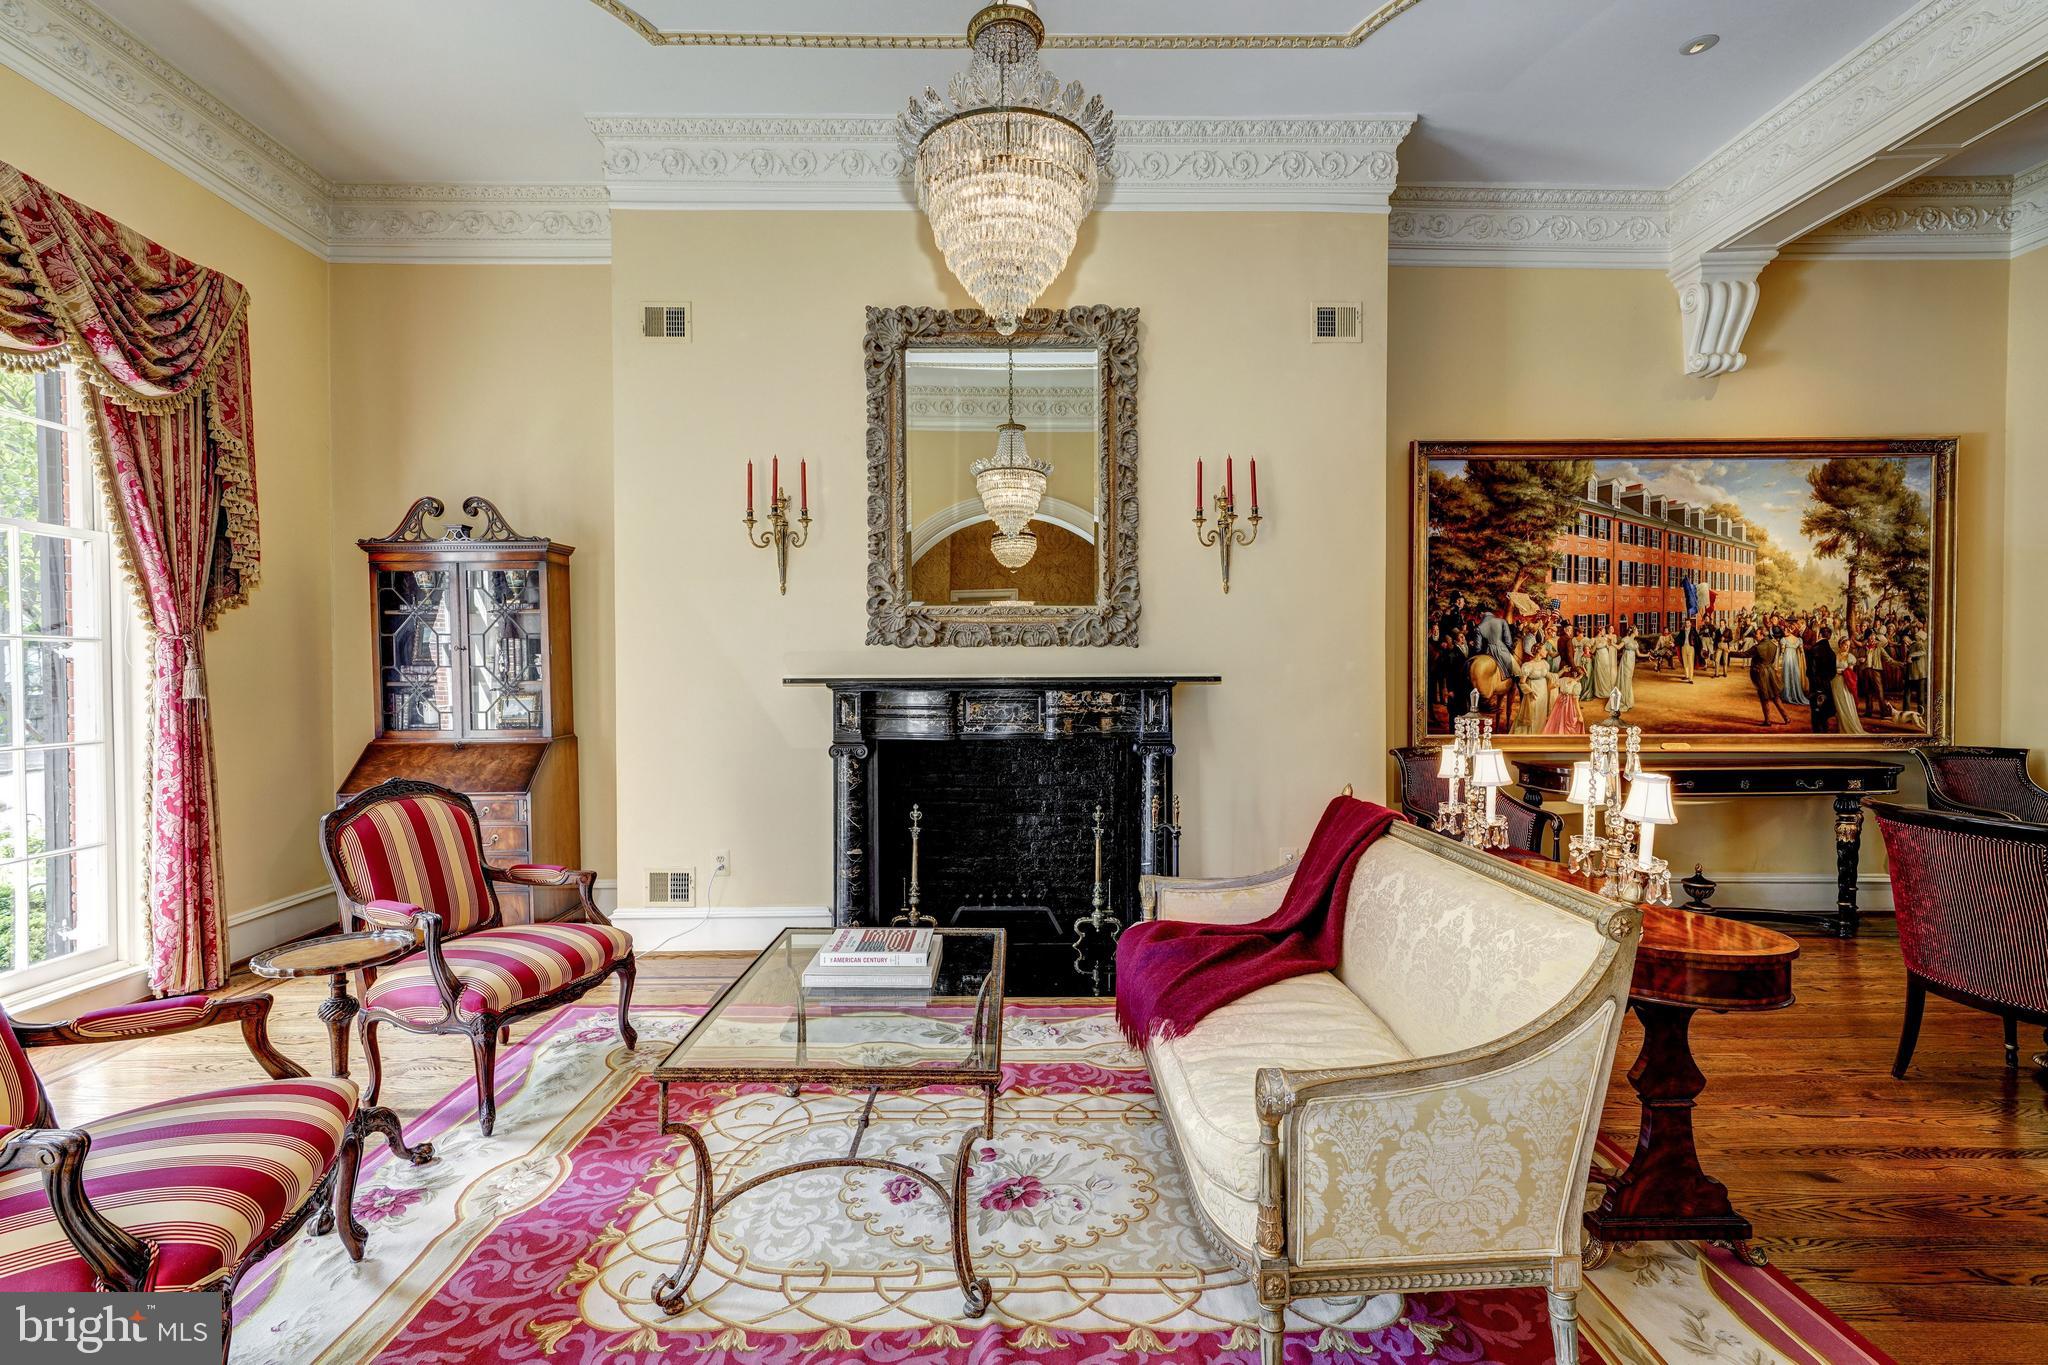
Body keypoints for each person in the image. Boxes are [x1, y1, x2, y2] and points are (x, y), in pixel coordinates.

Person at [1747, 626, 1791, 725]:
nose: (1755, 636)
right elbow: (1772, 660)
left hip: (1761, 674)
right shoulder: (1773, 645)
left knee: (1764, 697)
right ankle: (1786, 718)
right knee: (1775, 696)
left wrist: (1729, 652)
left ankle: (1767, 721)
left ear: (1762, 635)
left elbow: (1745, 654)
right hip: (1770, 672)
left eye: (1757, 634)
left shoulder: (1757, 648)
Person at [1807, 627, 1839, 733]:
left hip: (1815, 684)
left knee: (1815, 709)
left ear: (1819, 635)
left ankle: (1817, 732)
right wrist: (1825, 680)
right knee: (1824, 707)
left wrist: (1815, 681)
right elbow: (1833, 672)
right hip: (1826, 684)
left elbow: (1810, 671)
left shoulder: (1814, 650)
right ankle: (1824, 729)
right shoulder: (1831, 653)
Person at [1543, 661, 1588, 735]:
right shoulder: (1577, 685)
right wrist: (1580, 715)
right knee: (1569, 720)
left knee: (1557, 719)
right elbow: (1576, 702)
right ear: (1580, 676)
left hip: (1559, 702)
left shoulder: (1564, 679)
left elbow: (1550, 687)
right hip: (1569, 705)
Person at [1780, 625, 1808, 705]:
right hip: (1794, 659)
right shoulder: (1799, 640)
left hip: (1787, 658)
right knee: (1794, 675)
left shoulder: (1784, 639)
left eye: (1785, 631)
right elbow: (1802, 652)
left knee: (1787, 675)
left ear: (1789, 631)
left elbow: (1782, 651)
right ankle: (1795, 694)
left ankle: (1787, 695)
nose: (1784, 632)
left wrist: (1780, 655)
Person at [1617, 622, 1639, 713]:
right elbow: (1618, 647)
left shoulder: (1635, 642)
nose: (1638, 631)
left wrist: (1648, 655)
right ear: (1633, 631)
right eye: (1637, 630)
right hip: (1626, 661)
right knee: (1625, 679)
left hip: (1632, 662)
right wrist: (1611, 643)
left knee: (1629, 679)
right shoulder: (1626, 639)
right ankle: (1624, 700)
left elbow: (1639, 654)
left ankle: (1628, 700)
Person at [1679, 616, 1700, 684]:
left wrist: (1699, 647)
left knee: (1691, 663)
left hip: (1691, 647)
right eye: (1686, 623)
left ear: (1690, 623)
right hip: (1683, 647)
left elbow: (1697, 639)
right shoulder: (1682, 630)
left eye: (1688, 623)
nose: (1687, 624)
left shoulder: (1693, 630)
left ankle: (1690, 679)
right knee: (1685, 663)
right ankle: (1686, 676)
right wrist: (1674, 643)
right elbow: (1678, 638)